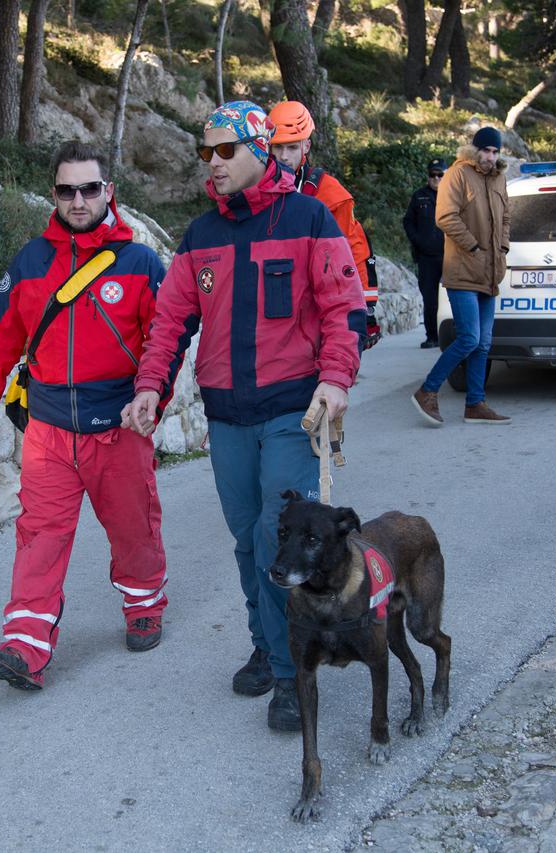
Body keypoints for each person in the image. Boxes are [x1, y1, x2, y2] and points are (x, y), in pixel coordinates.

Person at [123, 101, 365, 731]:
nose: (213, 162)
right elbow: (170, 322)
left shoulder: (310, 218)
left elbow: (344, 306)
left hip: (292, 411)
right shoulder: (201, 234)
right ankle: (266, 643)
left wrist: (336, 378)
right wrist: (150, 388)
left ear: (260, 149)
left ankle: (290, 673)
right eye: (206, 151)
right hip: (227, 417)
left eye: (225, 150)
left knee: (271, 538)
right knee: (244, 541)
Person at [0, 141, 172, 691]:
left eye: (89, 188)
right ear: (53, 194)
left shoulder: (140, 263)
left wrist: (153, 398)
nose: (78, 200)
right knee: (39, 535)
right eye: (67, 190)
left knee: (133, 528)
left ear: (109, 191)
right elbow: (1, 335)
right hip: (50, 429)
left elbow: (163, 344)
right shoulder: (31, 261)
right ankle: (24, 647)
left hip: (119, 429)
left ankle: (144, 605)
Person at [411, 126, 512, 426]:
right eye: (486, 150)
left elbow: (506, 217)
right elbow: (445, 216)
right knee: (469, 338)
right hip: (463, 269)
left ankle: (475, 404)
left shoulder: (499, 178)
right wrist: (474, 247)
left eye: (495, 151)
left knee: (483, 343)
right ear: (475, 149)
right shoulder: (457, 174)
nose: (490, 157)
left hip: (490, 272)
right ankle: (427, 390)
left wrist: (502, 248)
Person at [268, 100, 382, 350]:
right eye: (277, 147)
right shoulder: (254, 190)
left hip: (318, 305)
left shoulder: (330, 195)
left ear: (306, 146)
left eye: (292, 147)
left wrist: (366, 310)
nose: (283, 156)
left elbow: (355, 250)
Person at [403, 159, 448, 348]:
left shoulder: (454, 195)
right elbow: (408, 221)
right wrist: (418, 240)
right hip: (426, 258)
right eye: (432, 175)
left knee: (453, 298)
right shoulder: (419, 196)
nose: (436, 178)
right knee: (430, 299)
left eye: (440, 175)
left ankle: (452, 337)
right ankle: (432, 337)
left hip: (450, 257)